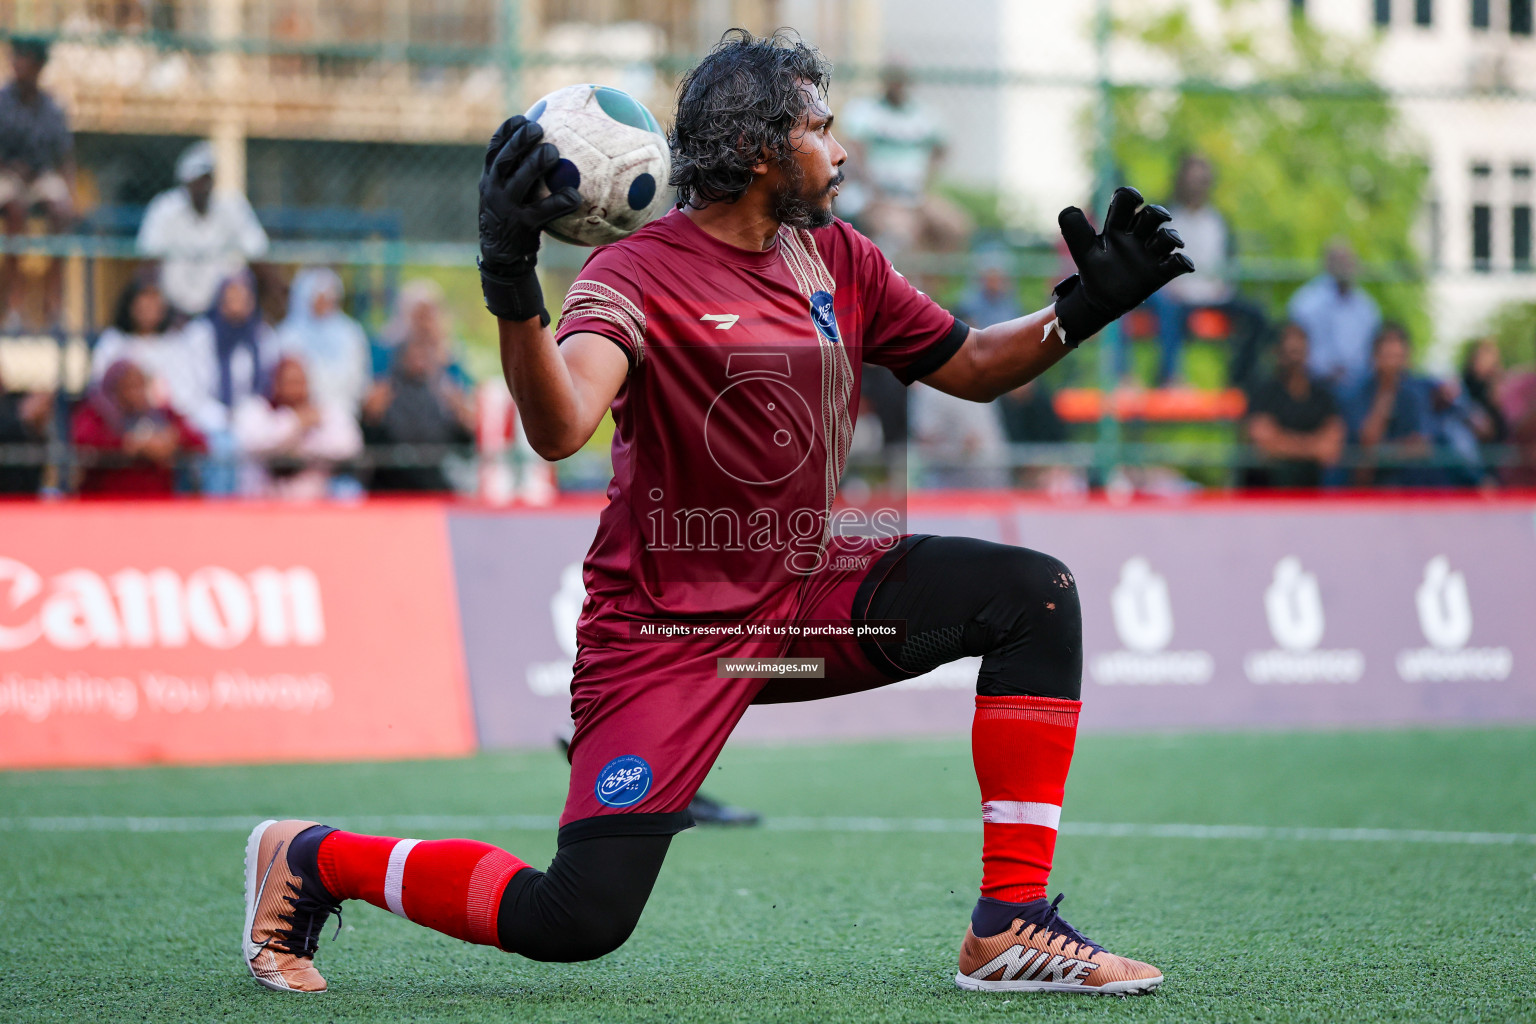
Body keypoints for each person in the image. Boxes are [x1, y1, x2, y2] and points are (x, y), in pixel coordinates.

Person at [241, 30, 1192, 999]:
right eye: (822, 128)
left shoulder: (838, 259)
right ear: (760, 150)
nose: (843, 149)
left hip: (809, 593)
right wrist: (507, 279)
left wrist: (1082, 309)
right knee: (576, 918)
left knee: (1035, 598)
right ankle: (315, 856)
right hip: (665, 634)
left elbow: (975, 365)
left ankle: (1010, 926)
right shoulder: (632, 276)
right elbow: (560, 425)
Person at [1141, 155, 1268, 389]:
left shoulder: (1218, 221)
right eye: (1193, 180)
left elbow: (1228, 263)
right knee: (1168, 308)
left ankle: (1240, 382)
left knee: (1257, 315)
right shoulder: (1166, 218)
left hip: (1214, 295)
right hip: (1179, 297)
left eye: (1202, 180)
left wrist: (1224, 284)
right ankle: (1169, 378)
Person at [838, 64, 970, 254]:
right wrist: (875, 188)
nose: (897, 84)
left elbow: (941, 148)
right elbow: (854, 152)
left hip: (914, 195)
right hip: (875, 197)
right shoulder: (866, 111)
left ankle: (930, 282)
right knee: (902, 233)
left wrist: (925, 180)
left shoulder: (922, 114)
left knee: (955, 226)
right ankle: (896, 281)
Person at [136, 141, 269, 318]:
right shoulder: (165, 208)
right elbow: (148, 260)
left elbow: (258, 252)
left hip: (222, 314)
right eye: (197, 181)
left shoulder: (232, 206)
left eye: (207, 179)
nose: (203, 187)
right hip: (173, 310)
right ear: (186, 183)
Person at [180, 270, 279, 493]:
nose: (237, 305)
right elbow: (189, 391)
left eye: (244, 298)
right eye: (231, 297)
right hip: (208, 418)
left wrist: (246, 415)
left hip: (250, 418)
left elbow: (266, 386)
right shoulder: (199, 335)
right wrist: (222, 417)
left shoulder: (263, 335)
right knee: (224, 449)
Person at [0, 36, 74, 328]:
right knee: (15, 210)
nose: (19, 64)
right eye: (16, 57)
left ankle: (52, 303)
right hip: (7, 174)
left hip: (40, 175)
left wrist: (70, 194)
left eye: (26, 58)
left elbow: (64, 155)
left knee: (60, 211)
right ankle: (13, 303)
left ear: (39, 66)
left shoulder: (51, 107)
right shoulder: (2, 102)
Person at [232, 354, 362, 500]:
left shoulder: (323, 410)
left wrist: (304, 448)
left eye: (300, 382)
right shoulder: (256, 409)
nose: (295, 389)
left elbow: (349, 445)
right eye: (289, 383)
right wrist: (295, 423)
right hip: (263, 501)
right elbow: (253, 442)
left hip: (313, 502)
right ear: (275, 383)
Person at [360, 332, 476, 492]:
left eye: (425, 355)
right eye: (414, 354)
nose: (419, 361)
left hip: (434, 483)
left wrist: (463, 420)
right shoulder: (385, 391)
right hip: (389, 485)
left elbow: (464, 445)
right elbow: (369, 442)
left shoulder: (443, 393)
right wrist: (371, 417)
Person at [71, 360, 204, 496]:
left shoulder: (161, 413)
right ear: (113, 389)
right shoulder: (97, 412)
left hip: (157, 504)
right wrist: (132, 445)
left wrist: (172, 439)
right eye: (128, 387)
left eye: (140, 386)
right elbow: (82, 440)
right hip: (107, 502)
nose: (135, 393)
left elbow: (200, 441)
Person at [1242, 323, 1345, 489]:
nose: (1295, 359)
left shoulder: (1323, 394)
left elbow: (1332, 444)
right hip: (1268, 491)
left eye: (1299, 351)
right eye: (1289, 352)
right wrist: (1312, 447)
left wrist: (1284, 443)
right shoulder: (1263, 391)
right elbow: (1263, 441)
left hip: (1313, 490)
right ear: (1278, 353)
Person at [1340, 323, 1431, 487]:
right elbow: (1365, 442)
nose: (1392, 364)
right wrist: (1385, 395)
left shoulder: (1414, 394)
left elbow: (1421, 447)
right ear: (1374, 357)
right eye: (1387, 356)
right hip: (1362, 482)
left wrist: (1383, 453)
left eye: (1397, 356)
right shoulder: (1355, 393)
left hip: (1405, 481)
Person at [1286, 242, 1381, 391]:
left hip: (1359, 386)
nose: (1345, 266)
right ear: (1326, 264)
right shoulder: (1306, 302)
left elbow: (1373, 350)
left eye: (1349, 260)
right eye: (1338, 260)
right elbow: (1294, 348)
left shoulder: (1367, 307)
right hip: (1314, 383)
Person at [277, 268, 371, 415]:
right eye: (319, 297)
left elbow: (360, 379)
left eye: (329, 297)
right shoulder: (288, 335)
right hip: (300, 414)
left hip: (344, 412)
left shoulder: (350, 332)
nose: (325, 303)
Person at [0, 363, 50, 494]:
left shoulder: (14, 399)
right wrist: (21, 419)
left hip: (24, 492)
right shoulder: (14, 410)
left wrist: (33, 422)